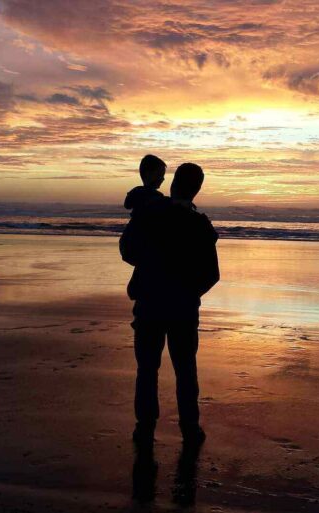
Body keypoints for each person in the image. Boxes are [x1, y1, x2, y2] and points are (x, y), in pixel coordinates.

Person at [120, 162, 220, 447]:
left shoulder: (150, 214)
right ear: (197, 189)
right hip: (183, 309)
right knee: (185, 369)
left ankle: (145, 427)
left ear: (173, 183)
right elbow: (211, 275)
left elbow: (128, 251)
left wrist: (151, 268)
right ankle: (189, 427)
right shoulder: (199, 224)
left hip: (150, 303)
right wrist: (189, 293)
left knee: (147, 369)